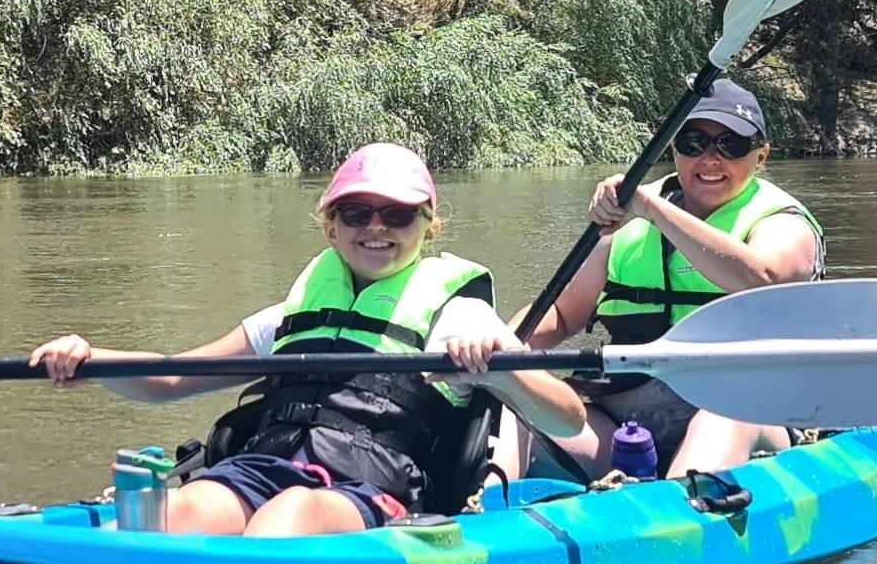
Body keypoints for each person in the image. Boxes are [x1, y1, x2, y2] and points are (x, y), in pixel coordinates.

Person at [29, 143, 590, 537]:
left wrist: (497, 369)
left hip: (373, 489)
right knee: (180, 512)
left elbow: (568, 420)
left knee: (288, 518)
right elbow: (173, 377)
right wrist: (92, 358)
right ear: (330, 225)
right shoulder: (288, 318)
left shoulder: (460, 317)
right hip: (263, 467)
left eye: (397, 215)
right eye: (356, 212)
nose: (376, 227)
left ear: (428, 226)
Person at [518, 81, 824, 477]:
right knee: (514, 401)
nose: (710, 160)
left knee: (721, 418)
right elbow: (561, 316)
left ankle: (679, 516)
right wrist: (498, 353)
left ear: (761, 156)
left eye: (730, 145)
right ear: (675, 150)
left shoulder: (783, 222)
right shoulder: (624, 221)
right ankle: (473, 515)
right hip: (624, 427)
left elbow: (762, 278)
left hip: (748, 415)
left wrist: (652, 209)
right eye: (694, 143)